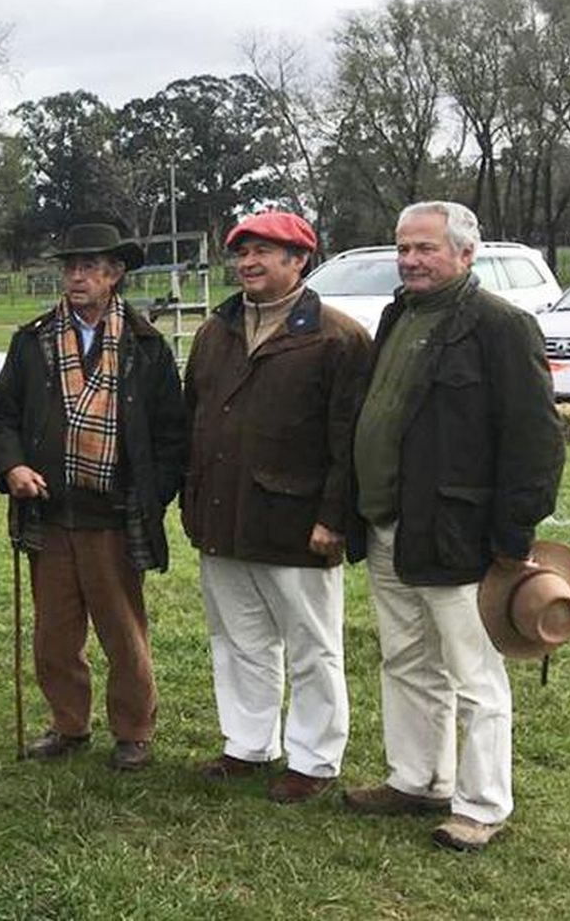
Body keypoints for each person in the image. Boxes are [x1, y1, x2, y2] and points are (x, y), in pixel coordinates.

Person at [343, 200, 564, 852]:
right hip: (391, 527)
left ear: (466, 254)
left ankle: (482, 804)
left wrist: (511, 538)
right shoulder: (397, 316)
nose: (410, 259)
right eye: (403, 248)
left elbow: (535, 443)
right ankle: (418, 777)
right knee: (406, 660)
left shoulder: (502, 326)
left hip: (460, 536)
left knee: (475, 676)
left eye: (425, 248)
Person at [181, 211, 372, 802]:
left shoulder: (338, 337)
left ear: (299, 261)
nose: (248, 262)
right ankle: (248, 742)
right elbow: (195, 417)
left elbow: (350, 440)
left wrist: (334, 517)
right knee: (237, 638)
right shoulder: (217, 331)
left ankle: (314, 760)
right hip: (222, 512)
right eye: (242, 253)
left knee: (313, 646)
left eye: (265, 251)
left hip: (297, 521)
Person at [0, 222, 186, 771]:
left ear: (116, 274)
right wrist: (13, 467)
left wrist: (151, 495)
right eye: (71, 265)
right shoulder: (32, 340)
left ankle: (133, 730)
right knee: (54, 636)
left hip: (115, 518)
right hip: (48, 513)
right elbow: (1, 416)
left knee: (123, 632)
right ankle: (68, 725)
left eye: (91, 265)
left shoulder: (146, 345)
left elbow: (172, 435)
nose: (78, 275)